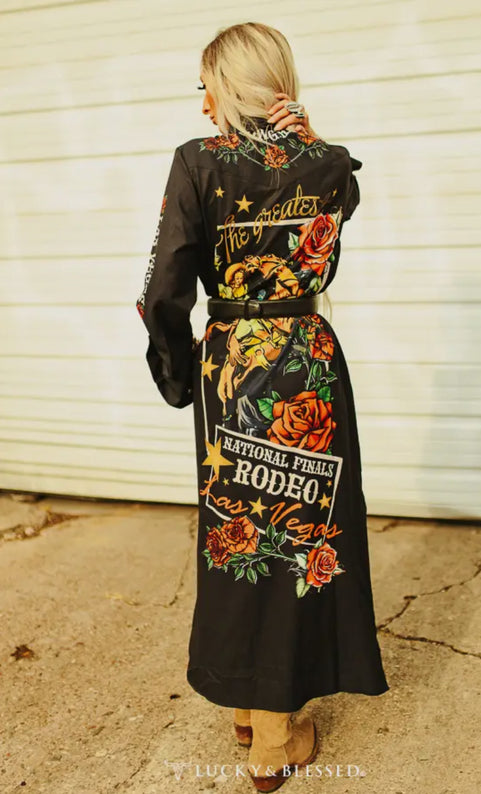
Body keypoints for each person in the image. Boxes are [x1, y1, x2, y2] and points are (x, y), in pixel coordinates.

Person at [136, 22, 389, 792]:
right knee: (300, 532)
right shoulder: (328, 163)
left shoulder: (196, 160)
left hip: (232, 366)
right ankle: (265, 720)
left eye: (206, 84)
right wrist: (309, 143)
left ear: (234, 87)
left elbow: (162, 289)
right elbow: (340, 205)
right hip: (307, 362)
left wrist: (177, 372)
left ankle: (262, 725)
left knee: (239, 536)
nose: (201, 101)